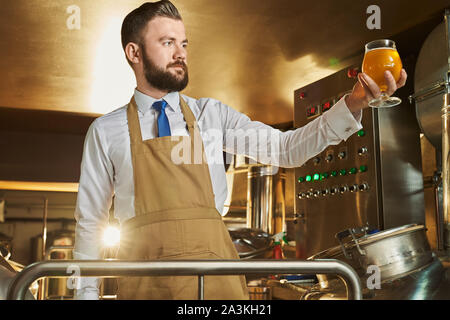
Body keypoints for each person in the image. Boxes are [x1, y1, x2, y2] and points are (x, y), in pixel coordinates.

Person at [73, 0, 407, 300]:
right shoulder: (105, 132)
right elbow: (90, 222)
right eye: (167, 42)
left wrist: (352, 103)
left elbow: (285, 149)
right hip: (146, 287)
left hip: (216, 286)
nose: (181, 53)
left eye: (184, 43)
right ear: (134, 53)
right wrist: (85, 296)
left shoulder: (212, 116)